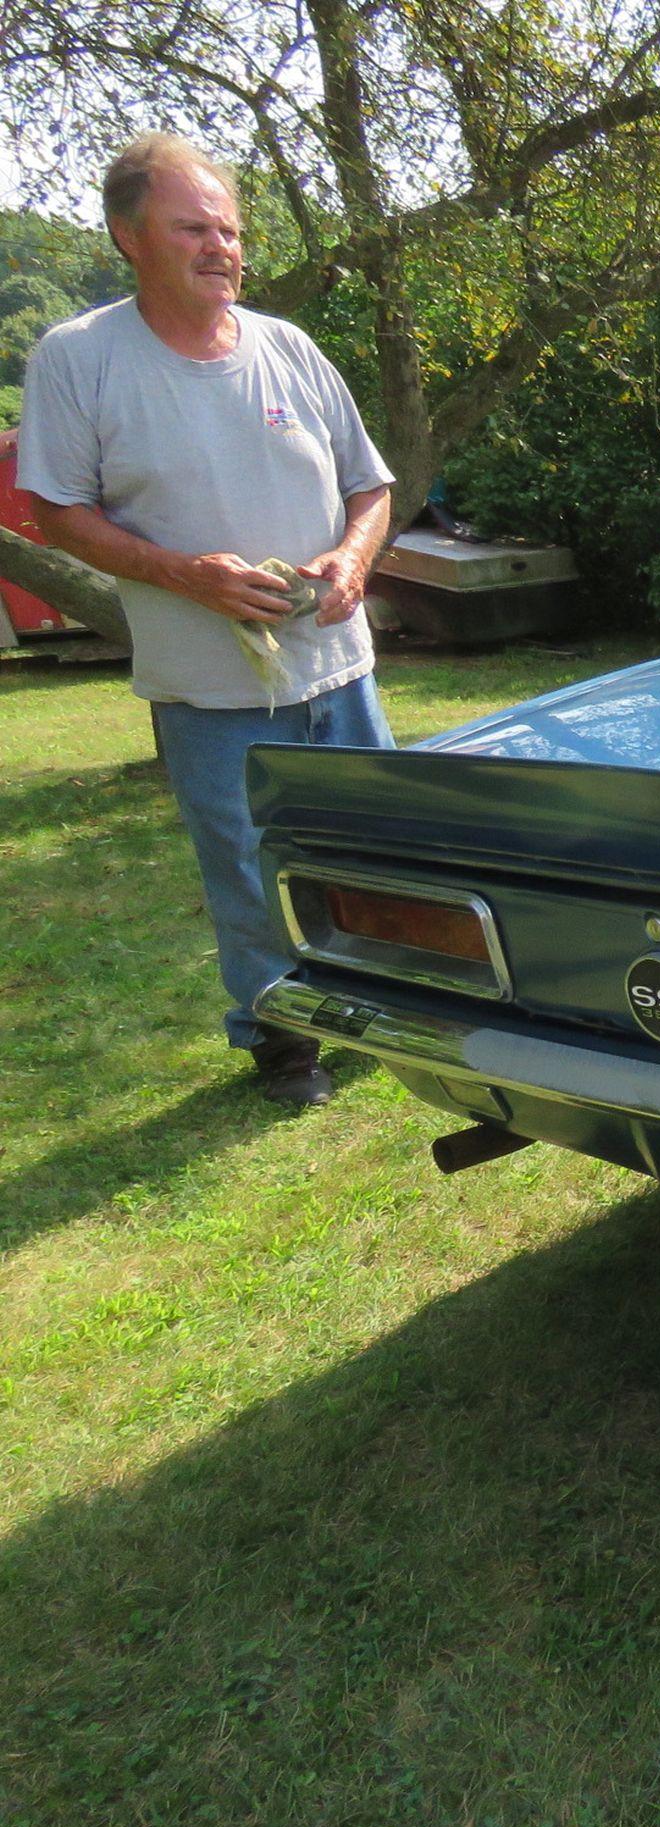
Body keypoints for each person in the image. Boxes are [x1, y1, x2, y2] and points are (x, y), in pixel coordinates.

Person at [19, 133, 397, 1108]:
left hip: (337, 669)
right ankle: (285, 1040)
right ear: (127, 237)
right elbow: (56, 510)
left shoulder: (288, 348)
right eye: (192, 228)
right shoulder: (80, 357)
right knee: (247, 865)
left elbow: (371, 487)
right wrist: (192, 577)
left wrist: (352, 562)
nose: (220, 246)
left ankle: (388, 1007)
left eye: (228, 229)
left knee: (370, 848)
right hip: (208, 684)